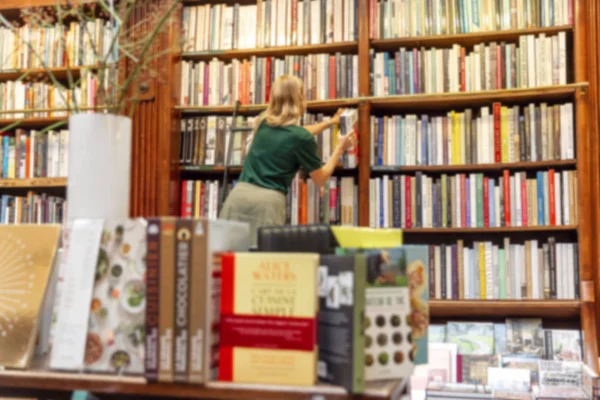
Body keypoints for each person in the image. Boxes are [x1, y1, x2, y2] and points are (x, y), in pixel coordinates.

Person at [219, 75, 357, 245]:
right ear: (298, 99)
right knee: (259, 263)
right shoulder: (302, 139)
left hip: (237, 197)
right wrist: (340, 148)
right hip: (266, 205)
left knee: (228, 261)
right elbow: (320, 179)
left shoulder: (263, 121)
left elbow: (296, 133)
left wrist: (330, 123)